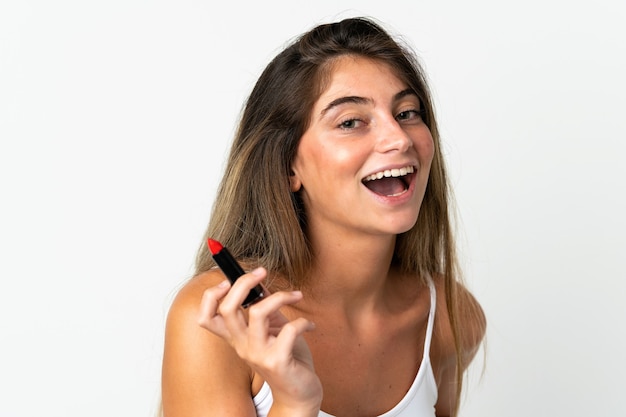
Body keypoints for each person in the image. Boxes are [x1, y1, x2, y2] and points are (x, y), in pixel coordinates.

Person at [160, 16, 486, 417]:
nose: (399, 139)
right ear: (288, 167)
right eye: (351, 122)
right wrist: (295, 403)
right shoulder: (216, 320)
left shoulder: (451, 319)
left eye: (406, 113)